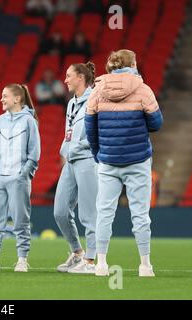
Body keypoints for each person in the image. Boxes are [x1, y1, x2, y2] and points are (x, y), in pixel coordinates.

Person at [85, 49, 163, 277]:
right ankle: (145, 265)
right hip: (138, 159)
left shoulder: (98, 89)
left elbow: (90, 126)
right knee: (140, 214)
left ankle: (100, 264)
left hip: (108, 161)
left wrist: (99, 153)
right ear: (133, 64)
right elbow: (157, 123)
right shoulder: (143, 89)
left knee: (104, 212)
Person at [0, 84, 40, 273]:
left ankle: (22, 260)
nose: (1, 99)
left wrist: (24, 174)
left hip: (17, 178)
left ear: (17, 99)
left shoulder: (29, 121)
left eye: (5, 96)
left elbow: (34, 153)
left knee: (20, 221)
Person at [53, 62, 98, 274]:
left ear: (81, 77)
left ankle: (90, 261)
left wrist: (80, 146)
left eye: (69, 75)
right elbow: (69, 131)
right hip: (71, 161)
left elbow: (99, 133)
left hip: (89, 160)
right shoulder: (72, 103)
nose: (65, 79)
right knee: (60, 211)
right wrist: (67, 151)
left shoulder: (97, 99)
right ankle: (77, 252)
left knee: (89, 214)